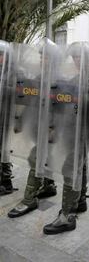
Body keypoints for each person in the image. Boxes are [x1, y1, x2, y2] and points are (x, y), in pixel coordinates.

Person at [42, 42, 89, 234]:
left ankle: (67, 215)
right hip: (71, 128)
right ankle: (79, 200)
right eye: (74, 56)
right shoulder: (75, 78)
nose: (76, 60)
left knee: (70, 167)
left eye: (80, 56)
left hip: (84, 128)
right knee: (79, 164)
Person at [7, 39, 59, 218]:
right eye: (41, 56)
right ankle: (49, 185)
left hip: (51, 128)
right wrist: (21, 120)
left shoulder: (59, 80)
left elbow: (62, 108)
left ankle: (29, 199)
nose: (42, 59)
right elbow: (30, 100)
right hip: (39, 125)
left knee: (35, 158)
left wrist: (54, 127)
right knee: (45, 156)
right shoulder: (39, 77)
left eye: (45, 57)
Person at [0, 40, 15, 196]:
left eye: (2, 55)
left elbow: (16, 92)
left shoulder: (13, 73)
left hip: (6, 117)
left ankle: (6, 183)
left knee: (3, 150)